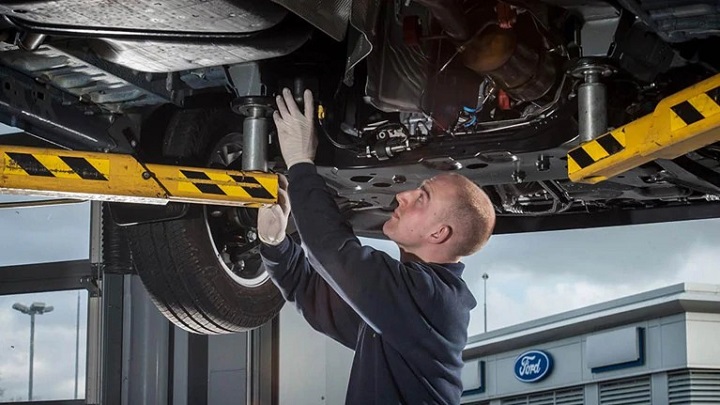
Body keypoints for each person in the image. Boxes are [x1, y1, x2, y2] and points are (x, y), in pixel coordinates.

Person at [257, 88, 496, 404]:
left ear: (439, 234)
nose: (402, 196)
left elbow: (336, 253)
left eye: (421, 198)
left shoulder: (433, 300)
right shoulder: (400, 313)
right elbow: (312, 292)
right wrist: (275, 245)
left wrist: (302, 163)